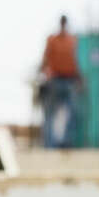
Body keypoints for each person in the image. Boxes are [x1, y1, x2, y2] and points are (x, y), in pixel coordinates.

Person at [38, 15, 81, 148]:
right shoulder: (52, 40)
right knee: (50, 114)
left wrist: (79, 78)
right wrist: (45, 74)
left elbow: (76, 60)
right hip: (55, 80)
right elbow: (45, 59)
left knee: (73, 112)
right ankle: (49, 145)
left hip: (69, 80)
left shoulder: (72, 40)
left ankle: (66, 142)